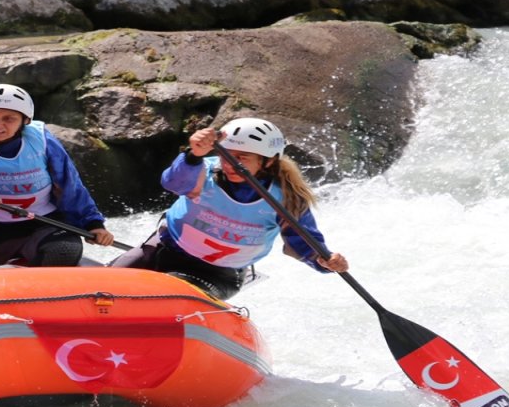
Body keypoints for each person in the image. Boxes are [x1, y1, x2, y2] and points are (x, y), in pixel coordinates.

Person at [110, 117, 348, 299]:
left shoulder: (286, 199)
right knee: (107, 284)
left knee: (172, 289)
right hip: (163, 251)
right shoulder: (204, 171)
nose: (230, 164)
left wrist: (324, 261)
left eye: (242, 157)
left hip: (217, 275)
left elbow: (305, 245)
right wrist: (194, 155)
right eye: (227, 155)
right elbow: (172, 183)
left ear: (268, 161)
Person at [0, 83, 115, 274]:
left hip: (47, 223)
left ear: (24, 120)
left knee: (64, 250)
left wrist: (93, 224)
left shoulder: (41, 138)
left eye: (9, 118)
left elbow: (69, 184)